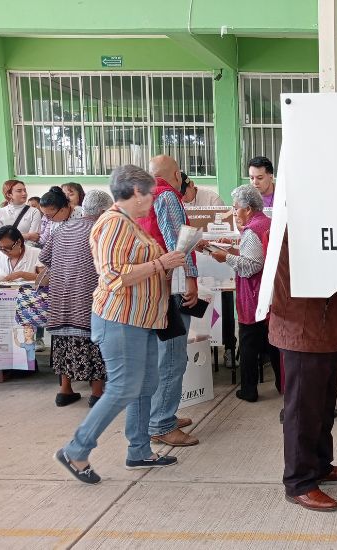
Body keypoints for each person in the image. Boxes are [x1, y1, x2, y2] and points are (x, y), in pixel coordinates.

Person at [54, 164, 186, 484]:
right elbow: (114, 276)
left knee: (145, 385)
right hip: (120, 319)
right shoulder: (114, 223)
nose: (153, 199)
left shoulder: (130, 223)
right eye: (151, 193)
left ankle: (139, 450)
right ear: (136, 192)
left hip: (140, 319)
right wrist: (161, 263)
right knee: (124, 387)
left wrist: (166, 265)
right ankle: (76, 448)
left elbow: (137, 267)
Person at [269, 229, 337, 512]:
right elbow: (317, 271)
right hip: (303, 327)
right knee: (303, 411)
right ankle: (299, 483)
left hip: (326, 327)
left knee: (323, 406)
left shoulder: (321, 217)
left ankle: (319, 465)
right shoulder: (296, 223)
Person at [138, 155, 200, 447]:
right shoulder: (168, 196)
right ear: (177, 174)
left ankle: (160, 415)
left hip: (150, 286)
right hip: (172, 286)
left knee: (158, 356)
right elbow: (180, 241)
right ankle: (162, 424)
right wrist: (191, 279)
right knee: (173, 358)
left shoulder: (141, 196)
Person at [201, 184, 280, 401]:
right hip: (267, 293)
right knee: (273, 342)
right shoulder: (265, 223)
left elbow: (252, 264)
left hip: (253, 295)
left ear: (248, 208)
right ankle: (283, 384)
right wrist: (233, 250)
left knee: (247, 343)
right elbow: (256, 256)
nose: (234, 213)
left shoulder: (252, 230)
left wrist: (224, 257)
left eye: (236, 208)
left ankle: (249, 390)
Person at [40, 190, 113, 408]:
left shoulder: (62, 228)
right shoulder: (101, 230)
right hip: (87, 297)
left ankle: (65, 391)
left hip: (61, 297)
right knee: (94, 342)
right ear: (102, 211)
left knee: (64, 342)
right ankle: (97, 394)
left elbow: (44, 257)